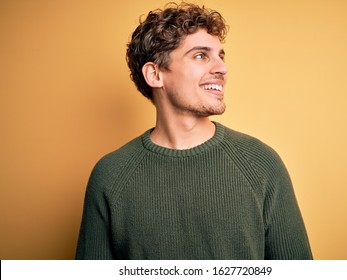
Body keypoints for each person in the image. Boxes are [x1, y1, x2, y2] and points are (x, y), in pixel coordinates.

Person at [76, 2, 312, 260]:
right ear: (155, 75)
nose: (222, 68)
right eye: (201, 55)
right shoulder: (111, 175)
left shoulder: (261, 163)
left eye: (220, 56)